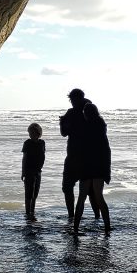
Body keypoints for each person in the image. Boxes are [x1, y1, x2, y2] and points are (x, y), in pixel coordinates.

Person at [73, 101, 111, 234]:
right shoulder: (101, 128)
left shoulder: (84, 128)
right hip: (99, 167)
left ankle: (75, 228)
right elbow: (107, 151)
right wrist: (107, 172)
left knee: (81, 198)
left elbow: (79, 151)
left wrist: (77, 169)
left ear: (86, 114)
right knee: (99, 196)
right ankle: (107, 227)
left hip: (86, 167)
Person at [59, 88, 91, 220]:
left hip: (74, 155)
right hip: (88, 155)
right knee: (90, 191)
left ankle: (72, 216)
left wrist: (62, 122)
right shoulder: (91, 111)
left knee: (67, 187)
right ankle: (94, 217)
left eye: (72, 100)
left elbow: (63, 133)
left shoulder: (72, 113)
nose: (71, 102)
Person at [21, 122, 45, 220]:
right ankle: (27, 213)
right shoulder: (27, 143)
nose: (30, 135)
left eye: (32, 133)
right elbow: (24, 158)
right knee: (28, 194)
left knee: (35, 194)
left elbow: (43, 155)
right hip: (29, 171)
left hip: (38, 171)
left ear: (38, 133)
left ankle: (32, 212)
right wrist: (23, 172)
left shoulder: (42, 143)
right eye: (29, 133)